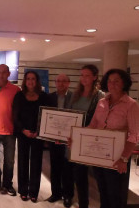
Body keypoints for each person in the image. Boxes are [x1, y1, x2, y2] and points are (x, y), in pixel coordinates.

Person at [89, 69, 139, 208]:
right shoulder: (101, 102)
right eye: (110, 81)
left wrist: (124, 159)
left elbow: (134, 135)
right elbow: (93, 125)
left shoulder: (131, 104)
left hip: (118, 158)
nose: (112, 84)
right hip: (98, 154)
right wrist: (76, 139)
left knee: (116, 195)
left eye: (116, 81)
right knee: (102, 191)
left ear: (124, 83)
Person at [69, 64, 104, 208]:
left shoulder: (100, 96)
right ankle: (84, 204)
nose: (83, 78)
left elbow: (101, 119)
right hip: (76, 139)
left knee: (98, 175)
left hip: (91, 139)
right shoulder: (75, 94)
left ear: (95, 77)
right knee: (80, 175)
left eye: (87, 75)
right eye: (82, 75)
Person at [13, 71, 49, 203]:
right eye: (28, 79)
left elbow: (47, 116)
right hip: (23, 134)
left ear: (37, 81)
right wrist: (23, 130)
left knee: (36, 163)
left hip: (38, 135)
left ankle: (34, 192)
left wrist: (40, 131)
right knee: (22, 162)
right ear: (25, 81)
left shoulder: (44, 97)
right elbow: (15, 117)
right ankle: (23, 190)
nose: (30, 81)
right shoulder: (19, 96)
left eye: (33, 79)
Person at [0, 64, 20, 196]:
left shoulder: (16, 90)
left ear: (9, 74)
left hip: (9, 131)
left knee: (9, 161)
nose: (1, 75)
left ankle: (7, 184)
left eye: (4, 72)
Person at [47, 74, 74, 207]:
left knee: (68, 168)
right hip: (53, 138)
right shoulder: (50, 97)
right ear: (55, 83)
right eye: (58, 81)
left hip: (69, 139)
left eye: (64, 81)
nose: (61, 84)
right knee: (55, 166)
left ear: (69, 83)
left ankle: (68, 195)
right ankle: (55, 193)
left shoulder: (75, 97)